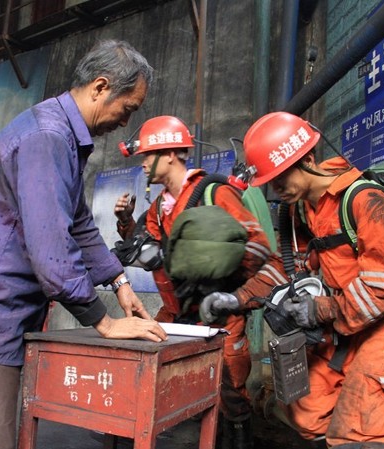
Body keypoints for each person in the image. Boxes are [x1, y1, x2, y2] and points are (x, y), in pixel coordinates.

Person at [0, 39, 167, 449]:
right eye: (126, 109)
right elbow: (52, 250)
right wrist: (104, 323)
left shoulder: (62, 136)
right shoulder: (48, 138)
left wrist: (119, 282)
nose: (124, 123)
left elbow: (78, 223)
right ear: (99, 87)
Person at [201, 112, 384, 447]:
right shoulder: (302, 210)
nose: (275, 190)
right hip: (343, 324)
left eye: (279, 178)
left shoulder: (366, 201)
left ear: (305, 159)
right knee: (306, 411)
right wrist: (238, 299)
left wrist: (320, 309)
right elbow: (286, 265)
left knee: (355, 433)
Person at [113, 115, 272, 449]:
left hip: (218, 315)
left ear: (169, 154)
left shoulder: (213, 192)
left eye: (147, 156)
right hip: (176, 314)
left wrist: (214, 268)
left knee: (229, 391)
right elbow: (146, 245)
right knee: (150, 369)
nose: (143, 165)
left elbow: (258, 247)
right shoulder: (159, 208)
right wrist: (127, 223)